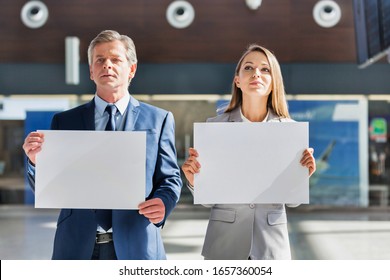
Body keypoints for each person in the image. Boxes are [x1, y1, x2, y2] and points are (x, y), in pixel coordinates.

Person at [22, 30, 182, 260]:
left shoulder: (159, 119)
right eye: (100, 60)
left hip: (138, 243)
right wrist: (36, 162)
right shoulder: (65, 121)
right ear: (91, 71)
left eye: (116, 60)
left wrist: (164, 203)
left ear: (132, 70)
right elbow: (48, 188)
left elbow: (170, 178)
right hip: (76, 246)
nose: (107, 65)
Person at [181, 44, 316, 260]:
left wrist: (302, 176)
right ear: (237, 80)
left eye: (265, 69)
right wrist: (194, 181)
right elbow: (208, 201)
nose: (256, 74)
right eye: (249, 68)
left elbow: (292, 202)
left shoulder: (289, 130)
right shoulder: (214, 128)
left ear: (274, 82)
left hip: (271, 246)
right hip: (224, 244)